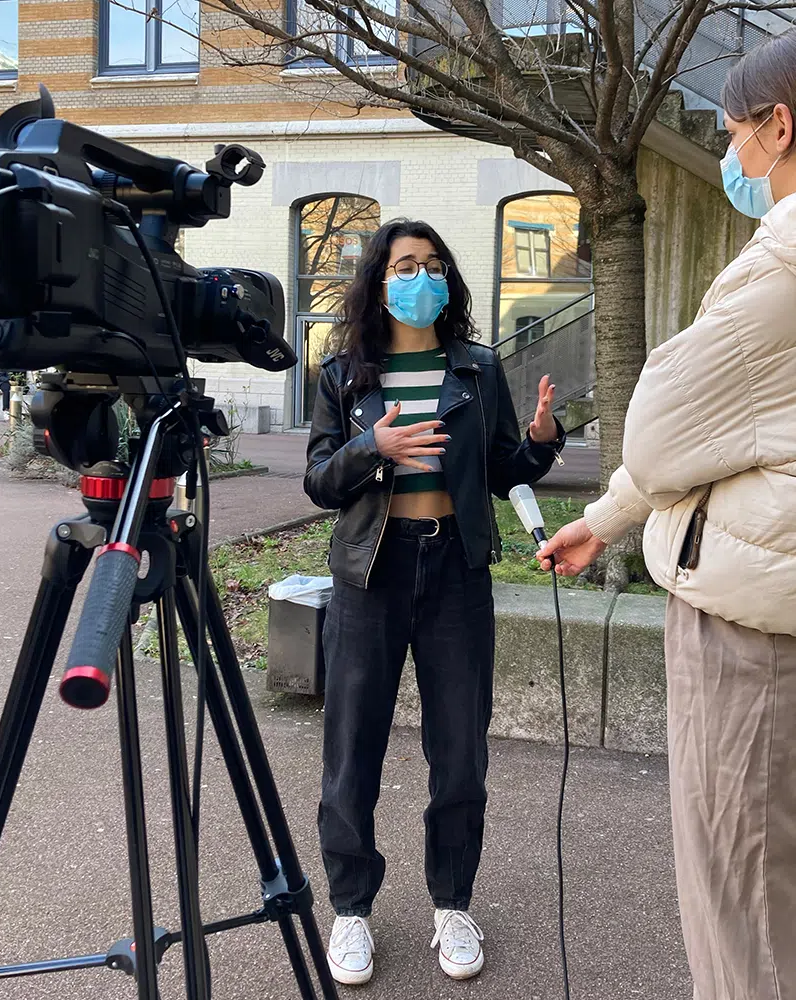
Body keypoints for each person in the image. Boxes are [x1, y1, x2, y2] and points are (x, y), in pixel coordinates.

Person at [538, 24, 796, 1000]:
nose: (732, 151)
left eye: (734, 130)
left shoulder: (785, 271)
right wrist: (608, 519)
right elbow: (739, 431)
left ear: (777, 127)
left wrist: (622, 496)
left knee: (742, 905)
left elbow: (659, 434)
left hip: (747, 624)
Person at [304, 219, 565, 985]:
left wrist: (543, 441)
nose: (421, 277)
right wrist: (370, 449)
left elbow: (500, 466)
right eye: (404, 265)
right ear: (378, 283)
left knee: (460, 754)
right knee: (352, 752)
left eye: (432, 265)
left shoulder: (478, 370)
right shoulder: (345, 375)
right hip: (369, 577)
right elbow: (319, 479)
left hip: (455, 573)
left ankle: (453, 902)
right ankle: (351, 909)